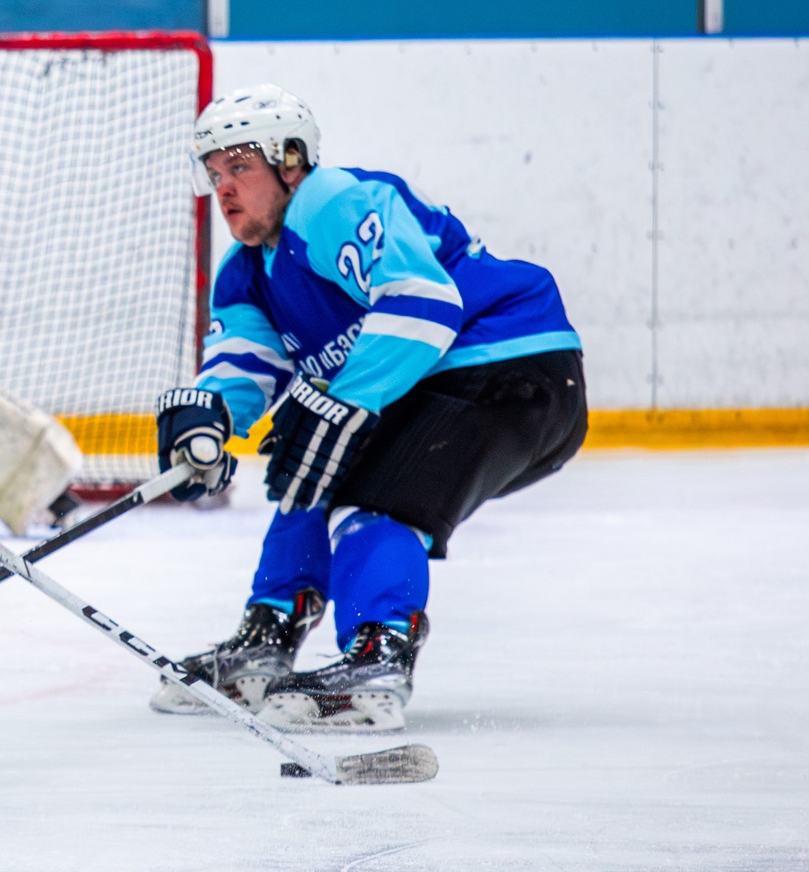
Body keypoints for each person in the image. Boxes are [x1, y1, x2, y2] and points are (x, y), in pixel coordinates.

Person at [150, 86, 586, 732]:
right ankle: (266, 640)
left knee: (374, 499)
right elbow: (246, 364)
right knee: (311, 472)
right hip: (446, 381)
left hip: (510, 365)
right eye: (215, 175)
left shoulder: (332, 202)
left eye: (240, 167)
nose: (226, 189)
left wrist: (335, 400)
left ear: (291, 161)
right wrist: (208, 417)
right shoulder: (247, 271)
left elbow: (423, 300)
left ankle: (379, 656)